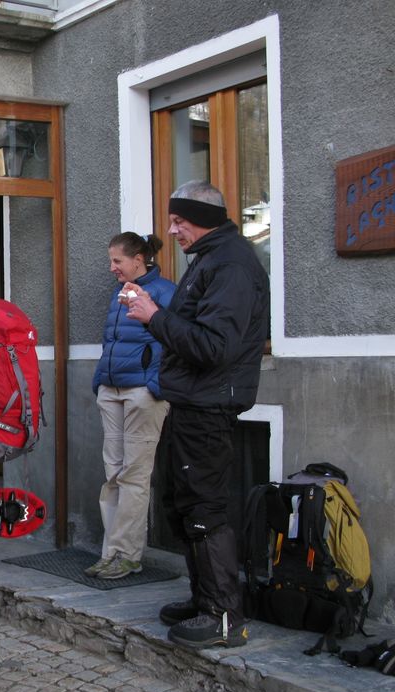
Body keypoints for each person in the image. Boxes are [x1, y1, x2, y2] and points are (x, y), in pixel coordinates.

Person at [122, 180, 269, 649]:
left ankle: (223, 616)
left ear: (201, 220)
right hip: (191, 402)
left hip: (209, 405)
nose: (172, 230)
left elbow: (214, 347)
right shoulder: (209, 259)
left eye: (179, 221)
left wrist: (153, 316)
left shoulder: (230, 265)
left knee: (205, 507)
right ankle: (205, 598)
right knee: (182, 503)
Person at [88, 233, 175, 580]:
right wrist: (100, 380)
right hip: (112, 391)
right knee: (113, 475)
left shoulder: (165, 292)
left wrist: (153, 385)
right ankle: (111, 552)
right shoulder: (119, 293)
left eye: (117, 261)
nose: (112, 268)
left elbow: (174, 342)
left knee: (134, 476)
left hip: (142, 393)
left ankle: (127, 555)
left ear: (139, 259)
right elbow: (112, 340)